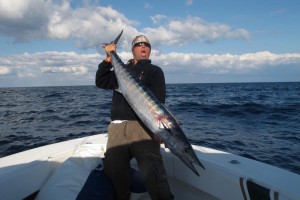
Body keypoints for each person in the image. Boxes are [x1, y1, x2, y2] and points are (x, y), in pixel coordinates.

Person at [95, 35, 174, 200]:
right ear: (133, 50)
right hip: (117, 127)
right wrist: (109, 58)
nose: (143, 47)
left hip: (142, 127)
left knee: (153, 172)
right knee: (114, 170)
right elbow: (101, 81)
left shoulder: (155, 71)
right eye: (139, 45)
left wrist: (158, 129)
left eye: (147, 45)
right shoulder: (121, 69)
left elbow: (158, 101)